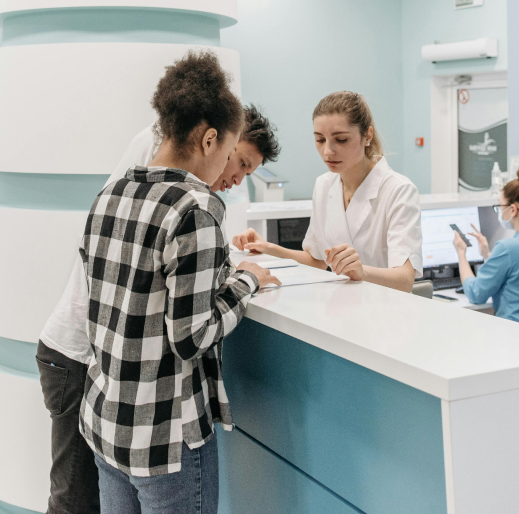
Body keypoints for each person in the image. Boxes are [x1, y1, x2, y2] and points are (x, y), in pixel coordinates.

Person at [36, 76, 280, 514]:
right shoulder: (196, 209)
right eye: (230, 156)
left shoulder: (110, 195)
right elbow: (190, 336)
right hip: (166, 439)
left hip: (108, 430)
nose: (231, 174)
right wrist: (247, 283)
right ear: (209, 140)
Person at [235, 91, 422, 292]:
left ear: (367, 136)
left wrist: (362, 272)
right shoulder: (324, 185)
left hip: (386, 311)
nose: (328, 151)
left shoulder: (399, 191)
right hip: (338, 309)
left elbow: (404, 280)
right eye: (320, 140)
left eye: (340, 140)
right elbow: (316, 260)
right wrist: (269, 248)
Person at [452, 171, 519, 321]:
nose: (499, 210)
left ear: (513, 210)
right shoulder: (508, 249)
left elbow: (476, 294)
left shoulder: (507, 248)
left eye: (500, 205)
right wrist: (487, 255)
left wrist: (461, 254)